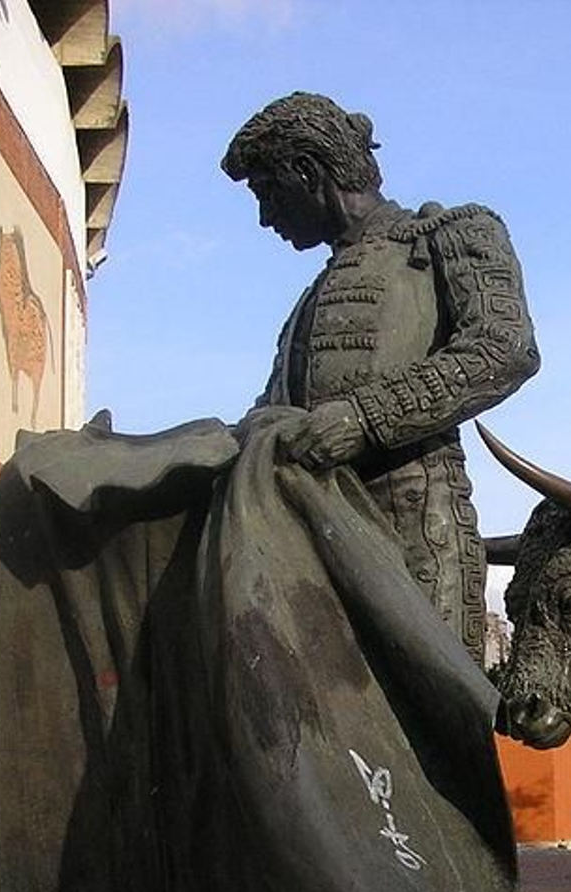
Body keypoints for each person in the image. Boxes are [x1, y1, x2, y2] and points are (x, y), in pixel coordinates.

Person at [222, 91, 539, 664]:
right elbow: (272, 411)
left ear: (308, 172)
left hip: (415, 536)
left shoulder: (450, 233)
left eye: (268, 193)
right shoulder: (307, 303)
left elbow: (504, 346)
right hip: (314, 539)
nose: (266, 217)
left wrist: (364, 418)